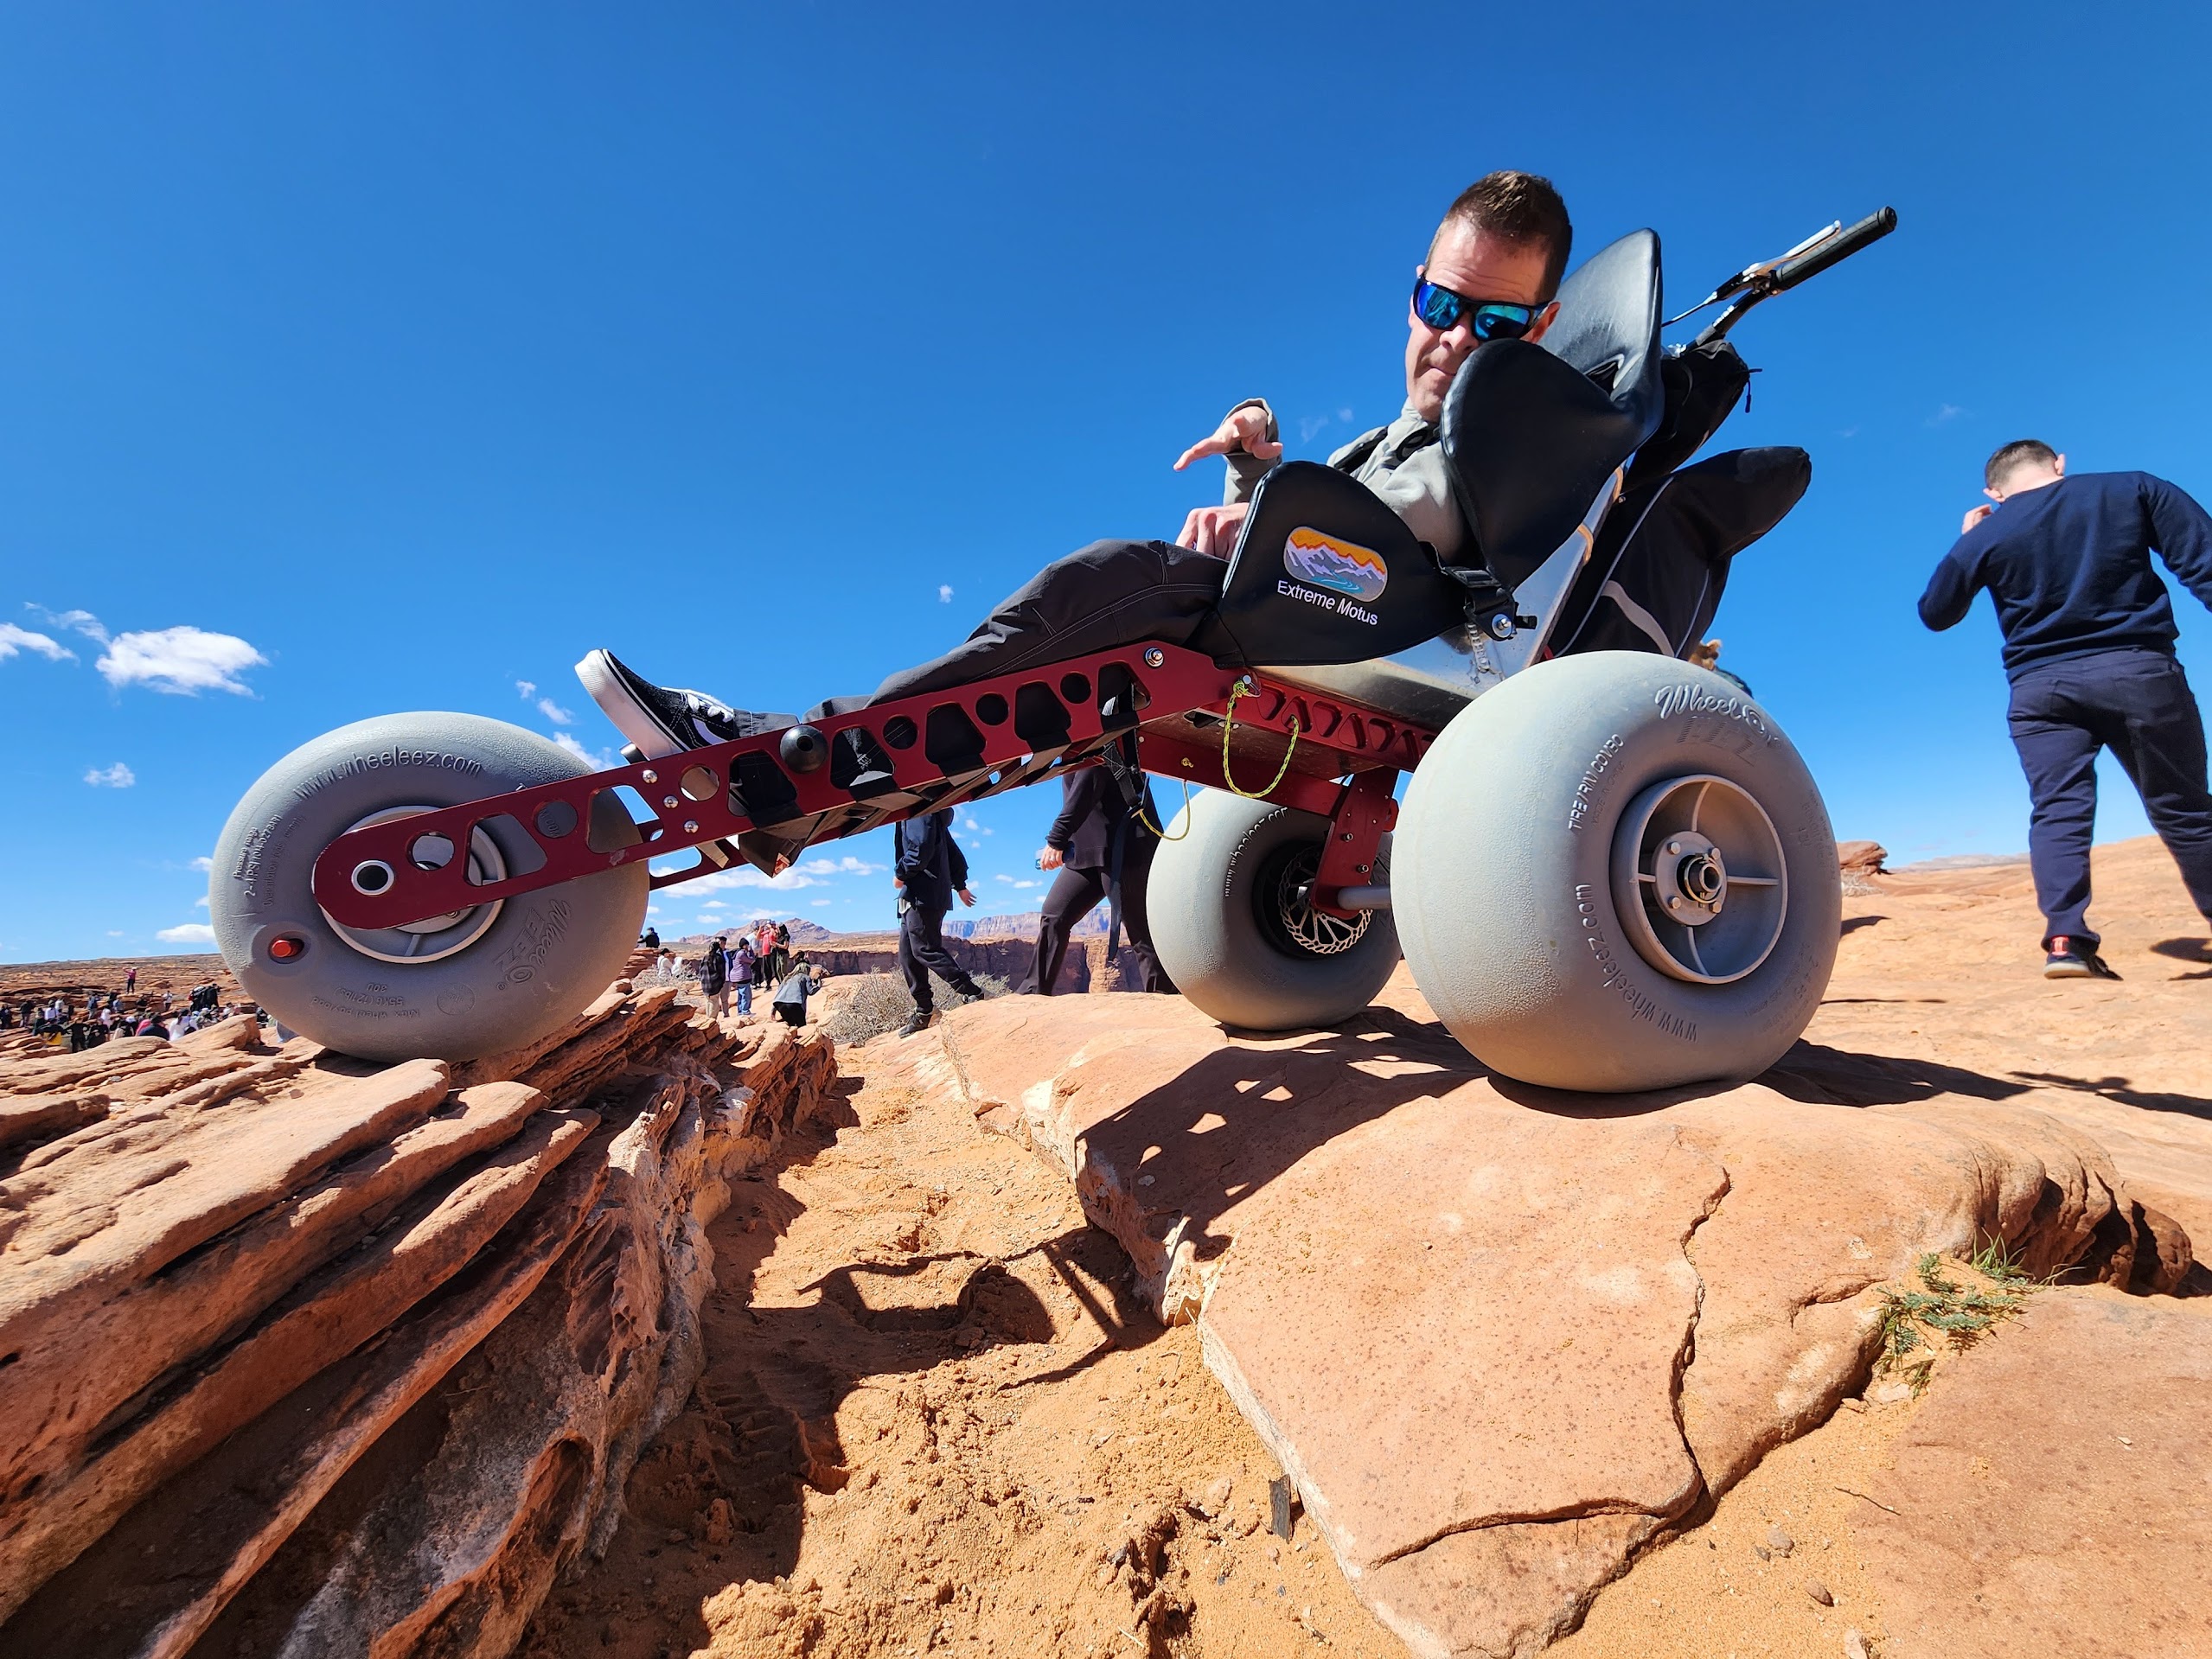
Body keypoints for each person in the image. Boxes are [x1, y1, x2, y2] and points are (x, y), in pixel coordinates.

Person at [569, 172, 1574, 756]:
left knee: (1106, 579)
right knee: (1074, 630)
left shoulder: (1503, 435)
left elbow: (1423, 518)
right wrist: (1255, 469)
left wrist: (1282, 527)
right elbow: (1350, 515)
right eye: (1442, 306)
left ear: (1541, 325)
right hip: (1302, 608)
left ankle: (787, 756)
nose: (1452, 340)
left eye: (1491, 322)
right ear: (1413, 294)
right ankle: (798, 756)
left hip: (1385, 640)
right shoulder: (1385, 434)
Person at [1920, 439, 2212, 978]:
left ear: (1993, 491)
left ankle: (2065, 942)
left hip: (2040, 691)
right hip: (2138, 672)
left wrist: (1968, 541)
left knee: (2058, 812)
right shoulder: (2133, 487)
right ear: (2058, 464)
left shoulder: (1987, 532)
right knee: (2184, 810)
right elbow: (2204, 562)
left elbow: (1936, 613)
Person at [1020, 765, 1172, 995]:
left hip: (1126, 848)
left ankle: (1165, 997)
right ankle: (1033, 992)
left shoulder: (1098, 740)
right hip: (1086, 852)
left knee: (1140, 930)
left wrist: (1056, 839)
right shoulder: (1072, 749)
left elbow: (1088, 785)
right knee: (1054, 915)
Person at [893, 806, 984, 1036]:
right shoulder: (933, 815)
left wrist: (901, 873)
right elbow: (954, 853)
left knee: (925, 949)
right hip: (917, 895)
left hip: (924, 893)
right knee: (908, 954)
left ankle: (972, 992)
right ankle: (925, 1010)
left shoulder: (916, 811)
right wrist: (960, 886)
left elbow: (920, 848)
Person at [770, 954, 827, 1027]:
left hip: (779, 1004)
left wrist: (773, 1011)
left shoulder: (787, 978)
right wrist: (819, 984)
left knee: (791, 1025)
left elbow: (778, 993)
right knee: (801, 1026)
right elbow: (811, 991)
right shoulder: (805, 977)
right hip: (795, 1004)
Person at [699, 935, 731, 1016]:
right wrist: (721, 982)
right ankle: (712, 1022)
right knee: (714, 1003)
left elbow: (700, 970)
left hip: (705, 985)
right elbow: (721, 972)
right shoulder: (718, 958)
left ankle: (708, 1019)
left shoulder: (705, 957)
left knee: (708, 1001)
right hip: (715, 985)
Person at [732, 935, 757, 1017]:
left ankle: (740, 1011)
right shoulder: (741, 953)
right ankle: (745, 1011)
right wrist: (751, 952)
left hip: (739, 977)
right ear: (743, 945)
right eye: (746, 945)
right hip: (742, 976)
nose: (747, 947)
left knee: (741, 994)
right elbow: (751, 960)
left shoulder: (738, 953)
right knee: (747, 995)